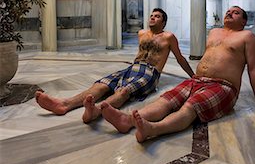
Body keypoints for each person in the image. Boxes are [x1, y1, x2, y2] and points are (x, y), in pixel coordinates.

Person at [99, 6, 255, 142]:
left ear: (244, 21)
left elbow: (254, 68)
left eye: (235, 12)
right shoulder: (214, 32)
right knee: (165, 101)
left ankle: (153, 129)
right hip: (197, 80)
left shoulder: (247, 37)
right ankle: (126, 120)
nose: (229, 13)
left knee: (190, 107)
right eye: (228, 10)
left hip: (223, 86)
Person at [35, 8, 194, 122]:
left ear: (164, 22)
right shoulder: (141, 33)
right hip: (133, 67)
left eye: (157, 16)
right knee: (101, 85)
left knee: (124, 90)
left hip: (150, 72)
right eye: (151, 15)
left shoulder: (168, 37)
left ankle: (96, 111)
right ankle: (64, 104)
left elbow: (180, 58)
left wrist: (193, 76)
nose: (152, 18)